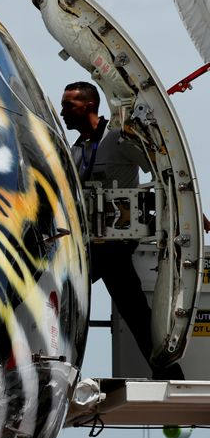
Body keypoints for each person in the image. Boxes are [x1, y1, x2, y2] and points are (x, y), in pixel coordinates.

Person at [60, 81, 186, 380]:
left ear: (89, 105)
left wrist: (189, 210)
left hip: (116, 242)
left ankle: (168, 372)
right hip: (91, 243)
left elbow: (164, 171)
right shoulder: (76, 150)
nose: (63, 112)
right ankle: (169, 372)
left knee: (80, 298)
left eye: (69, 105)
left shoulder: (119, 140)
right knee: (130, 308)